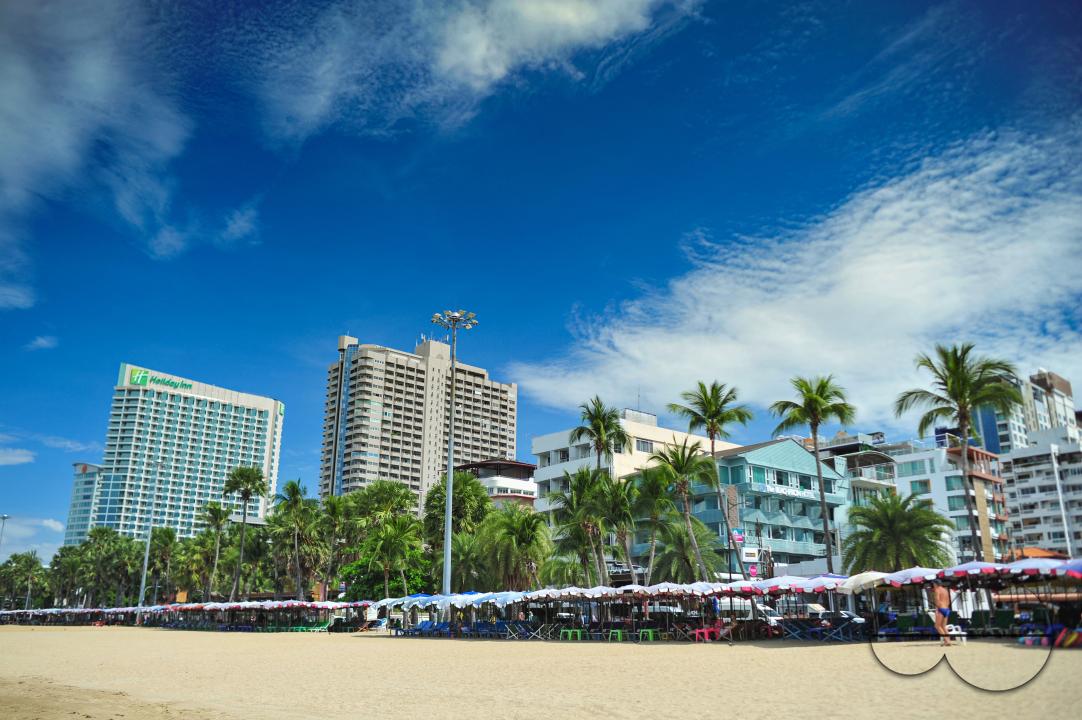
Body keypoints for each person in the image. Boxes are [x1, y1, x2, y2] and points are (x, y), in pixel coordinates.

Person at [932, 580, 952, 646]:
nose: (933, 585)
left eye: (933, 584)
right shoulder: (945, 590)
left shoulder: (937, 590)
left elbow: (937, 600)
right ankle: (948, 641)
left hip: (941, 608)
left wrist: (937, 610)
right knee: (943, 626)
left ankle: (947, 641)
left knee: (937, 626)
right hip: (947, 609)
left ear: (936, 584)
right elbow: (948, 601)